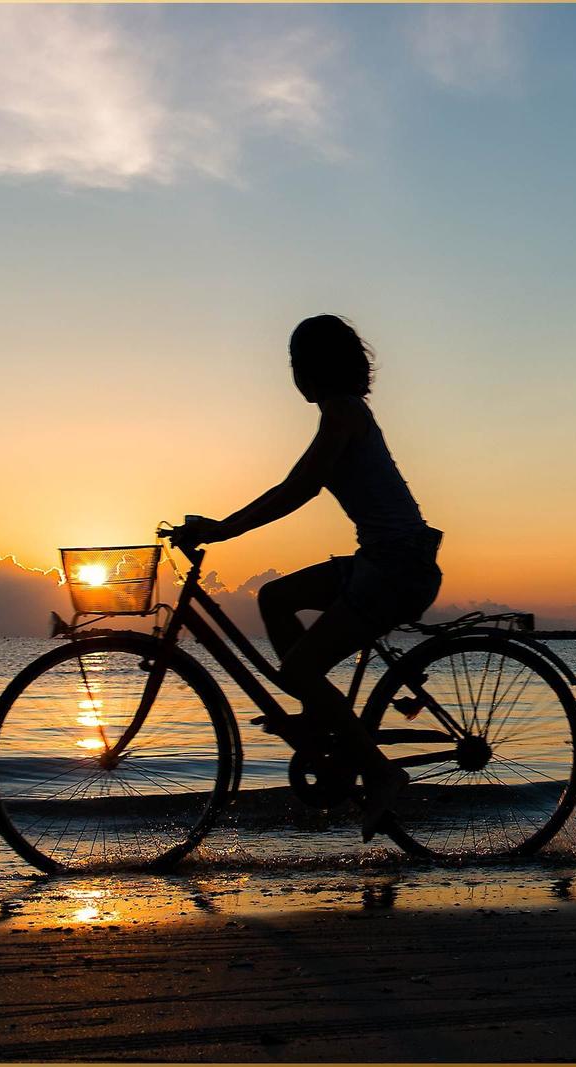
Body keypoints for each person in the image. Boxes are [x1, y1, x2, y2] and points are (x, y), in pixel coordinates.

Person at [172, 314, 443, 842]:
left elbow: (301, 486)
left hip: (396, 569)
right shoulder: (340, 412)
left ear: (313, 368)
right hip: (381, 561)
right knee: (275, 597)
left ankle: (382, 772)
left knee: (297, 670)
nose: (293, 375)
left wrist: (223, 530)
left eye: (296, 364)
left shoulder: (341, 413)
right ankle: (320, 718)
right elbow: (302, 484)